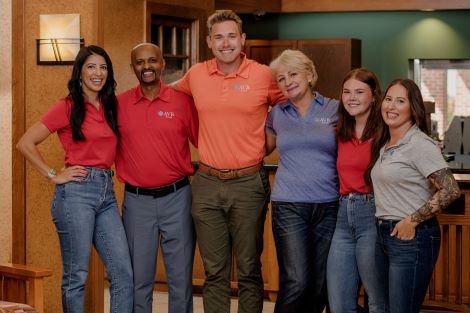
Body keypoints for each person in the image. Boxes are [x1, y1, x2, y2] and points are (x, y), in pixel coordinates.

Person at [174, 10, 284, 313]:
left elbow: (291, 106)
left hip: (249, 183)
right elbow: (168, 98)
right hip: (206, 183)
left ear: (243, 39)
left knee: (249, 268)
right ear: (209, 41)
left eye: (232, 36)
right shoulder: (196, 74)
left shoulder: (263, 75)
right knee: (214, 272)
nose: (226, 43)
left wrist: (269, 141)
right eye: (219, 37)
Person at [16, 45, 133, 313]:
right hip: (76, 195)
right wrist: (53, 174)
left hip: (106, 193)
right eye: (91, 66)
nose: (98, 72)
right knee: (76, 276)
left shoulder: (111, 106)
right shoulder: (66, 106)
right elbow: (25, 143)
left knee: (123, 273)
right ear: (79, 71)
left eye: (103, 67)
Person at [115, 43, 198, 313]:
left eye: (152, 61)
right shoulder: (119, 105)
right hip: (137, 202)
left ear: (162, 64)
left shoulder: (183, 102)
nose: (146, 67)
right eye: (140, 62)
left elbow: (207, 142)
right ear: (133, 68)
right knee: (139, 281)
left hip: (178, 198)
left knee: (181, 280)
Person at [368, 79, 461, 313]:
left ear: (413, 109)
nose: (391, 106)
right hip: (383, 234)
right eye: (388, 99)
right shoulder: (386, 143)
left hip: (412, 237)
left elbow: (451, 189)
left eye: (400, 101)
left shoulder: (420, 144)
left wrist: (412, 221)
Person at [265, 49, 339, 313]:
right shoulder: (276, 114)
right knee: (296, 281)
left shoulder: (334, 109)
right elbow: (260, 148)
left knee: (319, 284)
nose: (287, 82)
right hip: (289, 206)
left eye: (293, 74)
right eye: (281, 78)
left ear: (309, 74)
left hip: (329, 206)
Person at [326, 68, 388, 313]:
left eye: (359, 92)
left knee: (377, 300)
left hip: (373, 213)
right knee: (339, 303)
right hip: (343, 214)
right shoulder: (340, 130)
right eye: (346, 92)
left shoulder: (385, 131)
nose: (351, 97)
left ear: (374, 96)